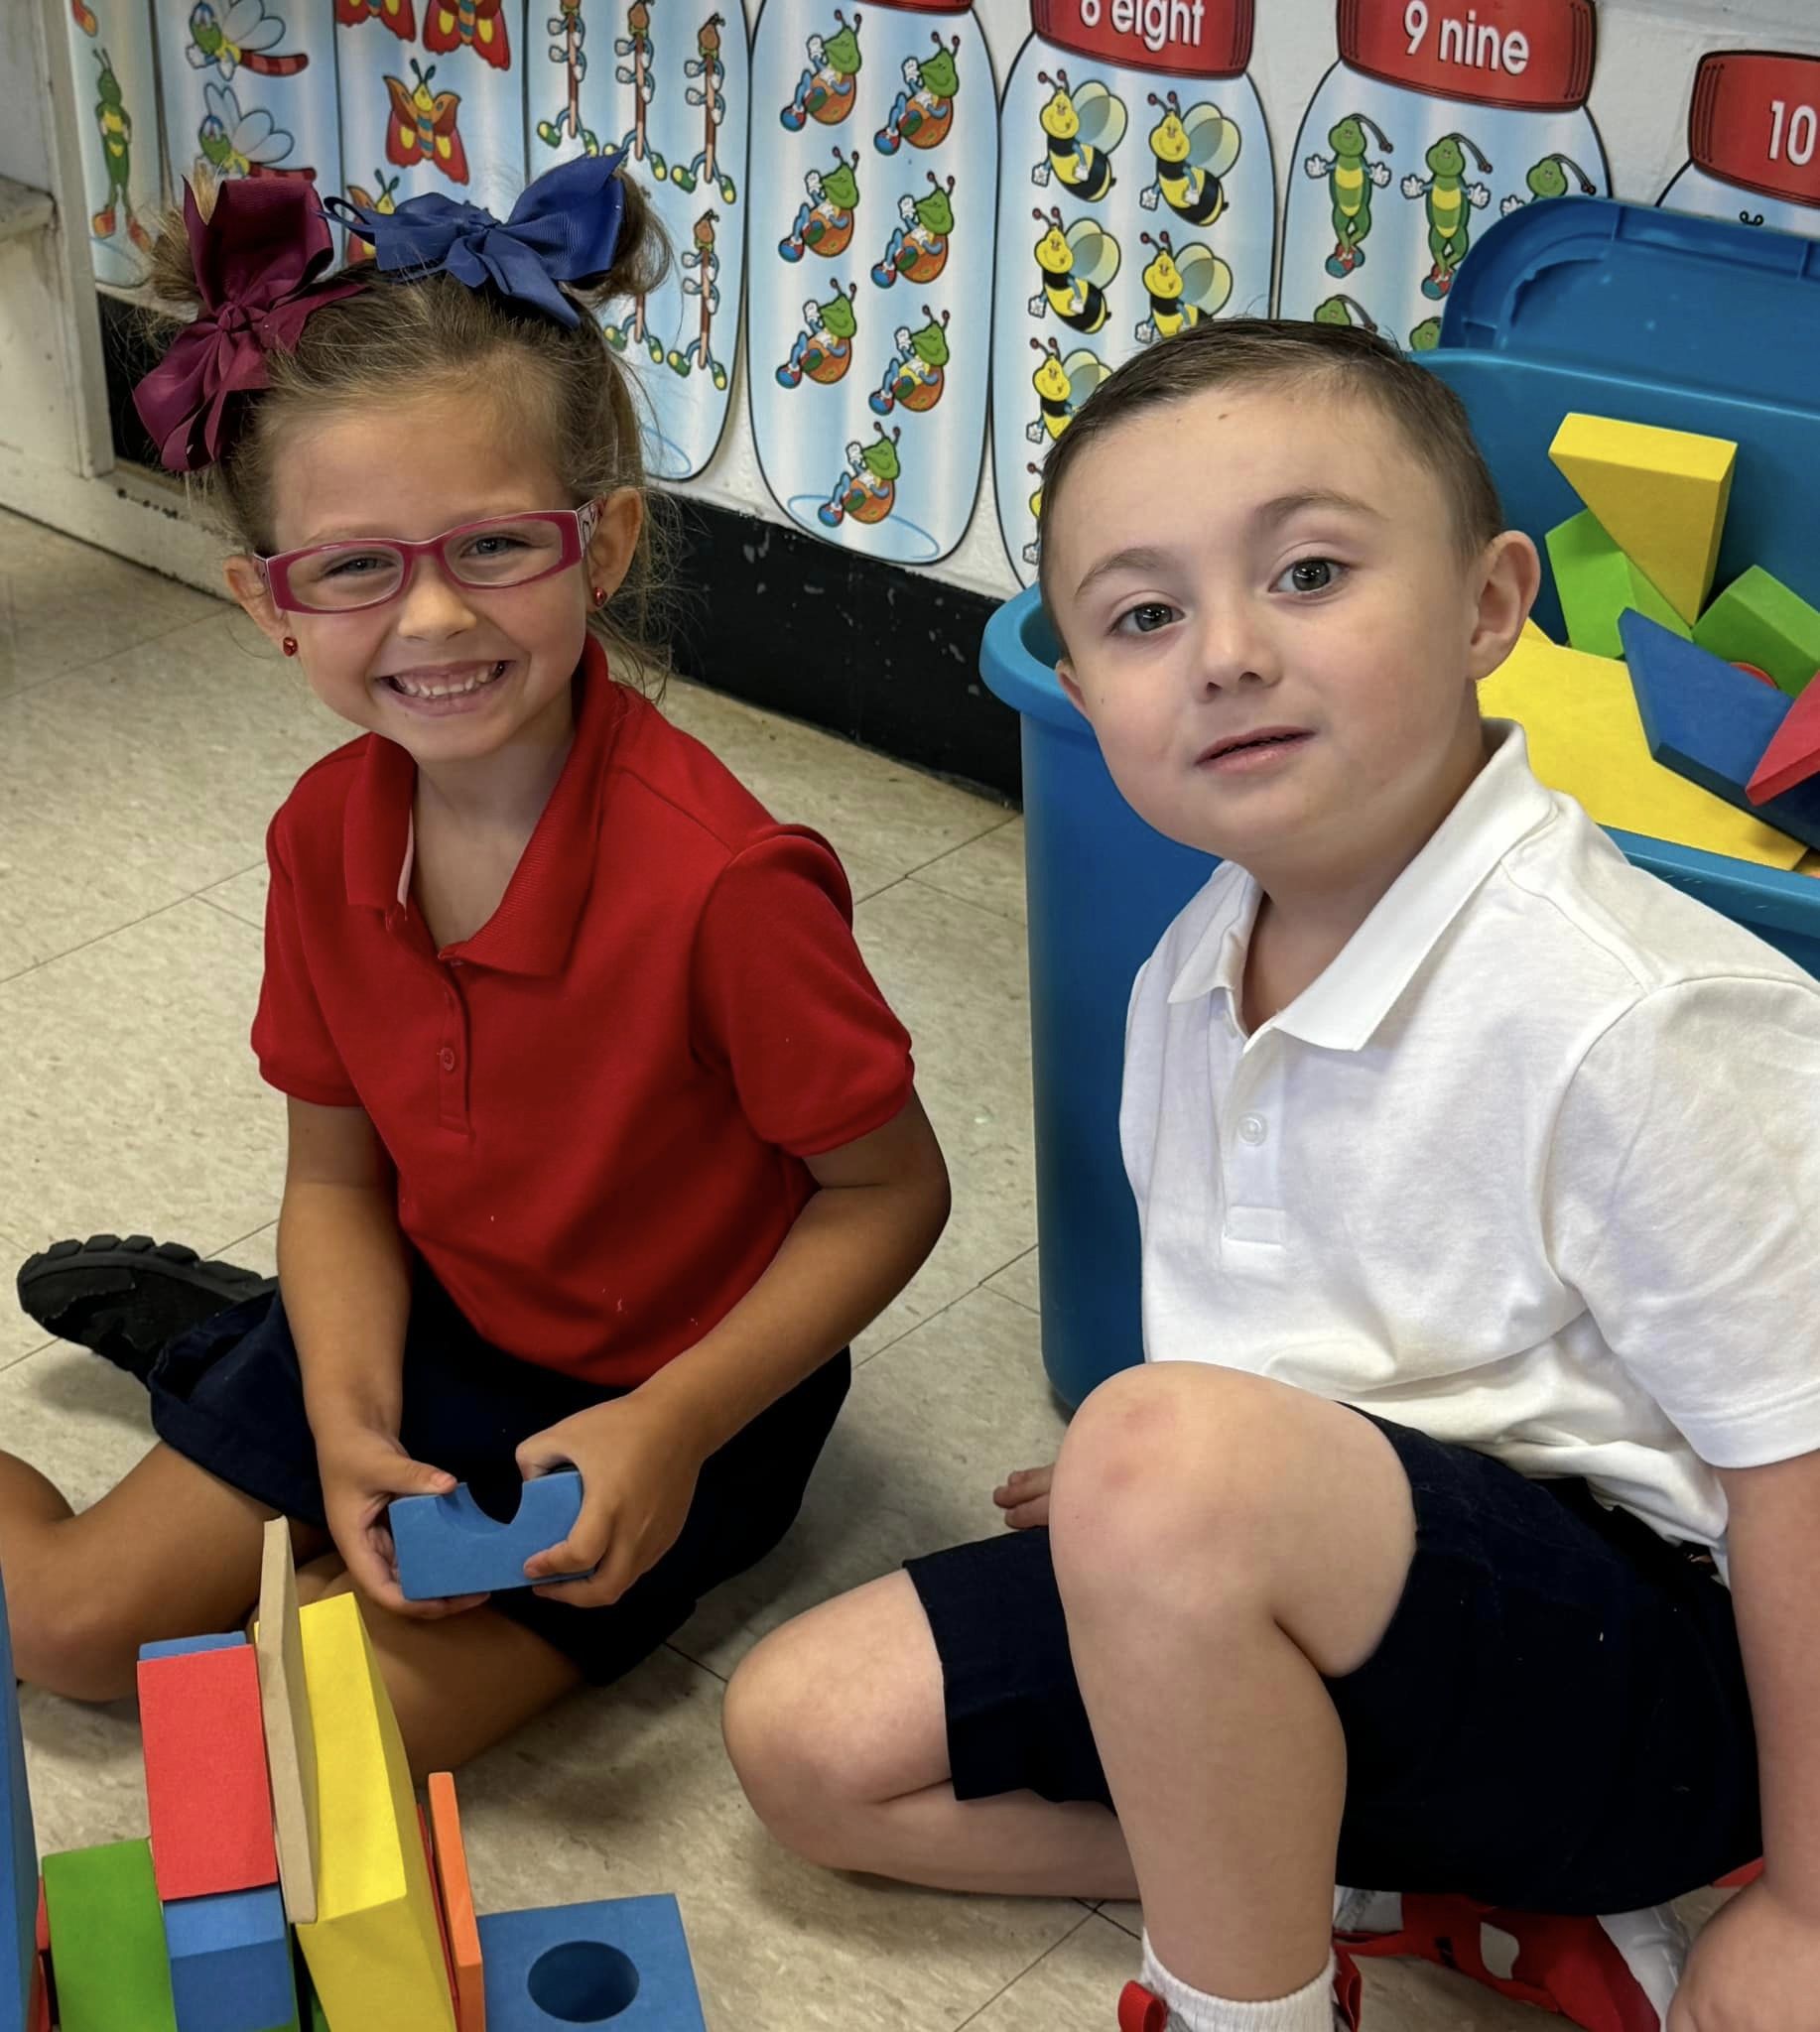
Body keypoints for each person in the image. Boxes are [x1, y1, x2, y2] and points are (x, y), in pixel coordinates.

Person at [721, 318, 1820, 2032]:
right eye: (1144, 617)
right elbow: (1297, 1328)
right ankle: (1414, 1884)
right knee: (807, 1748)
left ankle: (1249, 2003)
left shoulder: (1634, 1010)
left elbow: (1798, 1477)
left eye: (1308, 572)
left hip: (1663, 1690)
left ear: (1485, 605)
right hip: (1380, 1608)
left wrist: (1814, 1911)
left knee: (1160, 1460)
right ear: (1083, 698)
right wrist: (1176, 1510)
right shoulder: (1192, 966)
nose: (1225, 654)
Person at [6, 157, 950, 1778]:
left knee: (310, 1721)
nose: (432, 617)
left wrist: (670, 1424)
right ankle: (235, 1350)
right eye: (355, 567)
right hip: (426, 1310)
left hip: (668, 1389)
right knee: (72, 1632)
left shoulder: (728, 888)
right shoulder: (323, 838)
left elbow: (888, 1197)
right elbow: (338, 1180)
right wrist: (351, 1428)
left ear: (601, 546)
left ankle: (216, 1349)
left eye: (493, 547)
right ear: (268, 605)